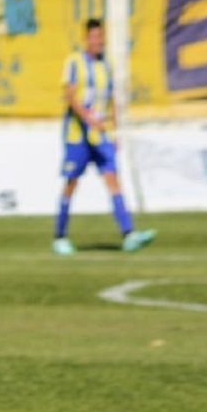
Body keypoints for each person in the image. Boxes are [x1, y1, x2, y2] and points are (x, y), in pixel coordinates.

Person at [53, 19, 156, 255]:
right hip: (77, 136)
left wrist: (114, 131)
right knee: (71, 184)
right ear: (87, 38)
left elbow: (111, 102)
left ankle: (129, 234)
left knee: (113, 180)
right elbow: (70, 96)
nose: (98, 41)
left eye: (101, 37)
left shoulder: (105, 67)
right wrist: (89, 119)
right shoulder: (75, 62)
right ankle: (60, 236)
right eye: (94, 37)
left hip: (101, 136)